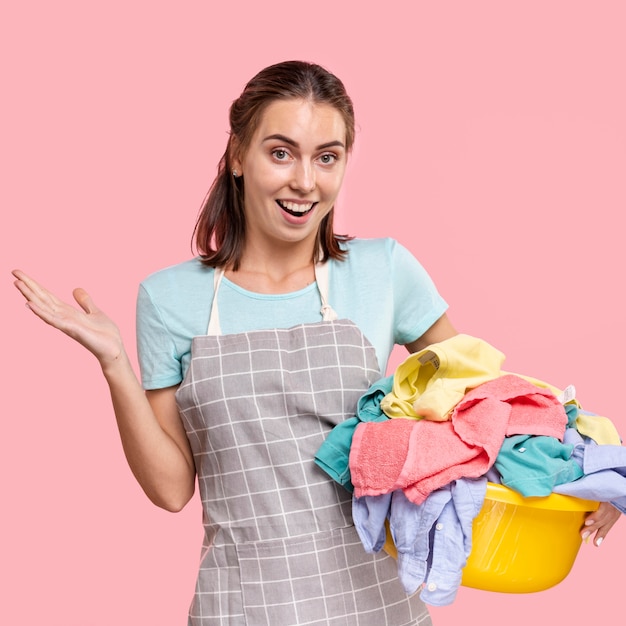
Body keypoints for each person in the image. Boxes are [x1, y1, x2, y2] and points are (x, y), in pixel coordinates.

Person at [12, 60, 620, 625]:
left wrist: (601, 473)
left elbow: (484, 409)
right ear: (237, 155)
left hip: (378, 605)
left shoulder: (382, 272)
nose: (305, 182)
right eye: (282, 153)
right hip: (241, 607)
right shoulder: (169, 299)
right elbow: (171, 488)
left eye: (327, 158)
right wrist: (115, 364)